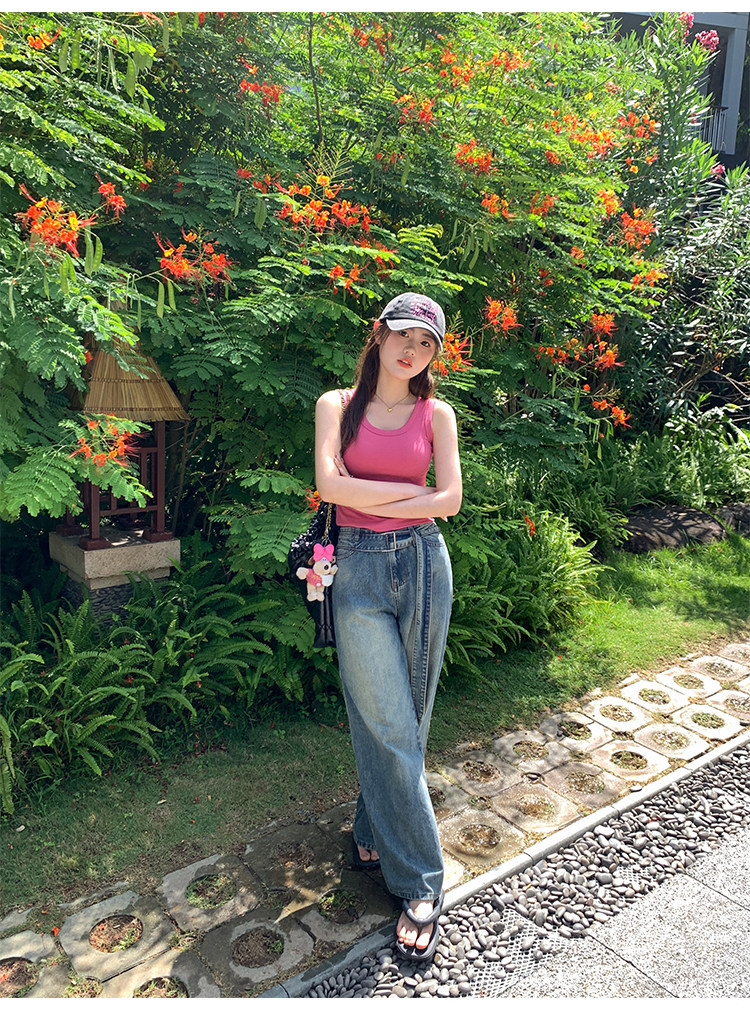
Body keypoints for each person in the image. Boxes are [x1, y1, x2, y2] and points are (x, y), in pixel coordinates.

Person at [314, 292, 462, 962]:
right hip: (358, 569)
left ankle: (372, 831)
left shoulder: (438, 415)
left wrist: (371, 491)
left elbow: (450, 501)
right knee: (387, 720)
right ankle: (422, 880)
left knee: (411, 718)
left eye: (426, 343)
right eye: (403, 335)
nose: (412, 350)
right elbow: (330, 487)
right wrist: (413, 496)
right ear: (378, 334)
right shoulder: (336, 405)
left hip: (425, 564)